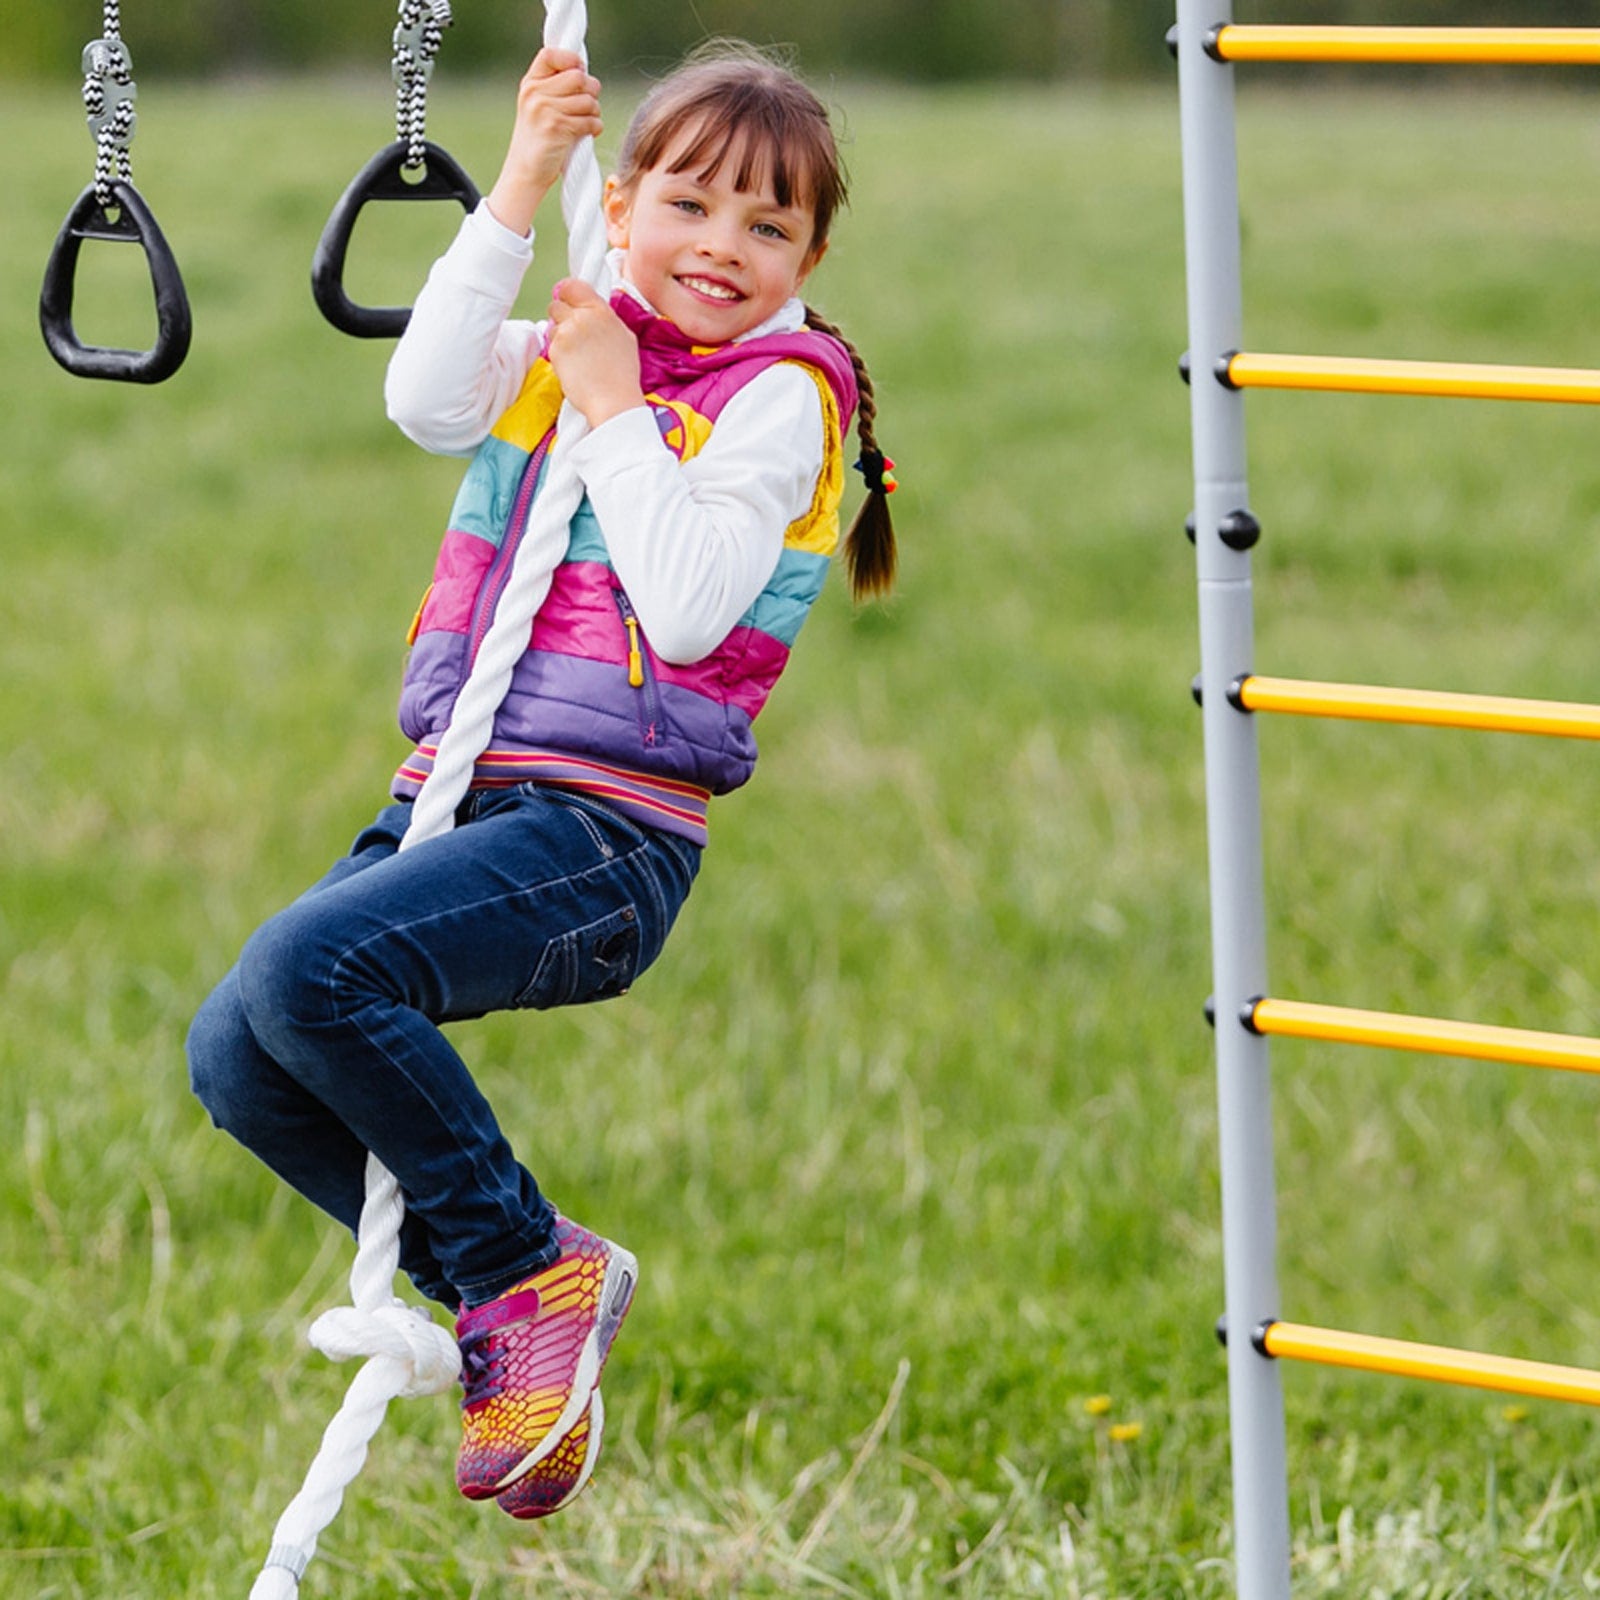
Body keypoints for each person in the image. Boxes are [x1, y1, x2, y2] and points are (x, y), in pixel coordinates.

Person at [186, 39, 895, 1523]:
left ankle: (521, 1271)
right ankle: (525, 1293)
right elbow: (427, 400)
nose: (720, 249)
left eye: (768, 228)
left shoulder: (781, 394)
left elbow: (693, 604)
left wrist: (618, 406)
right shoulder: (586, 340)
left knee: (311, 970)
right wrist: (516, 180)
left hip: (606, 835)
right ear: (622, 205)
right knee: (236, 1054)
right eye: (690, 208)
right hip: (459, 786)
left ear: (812, 256)